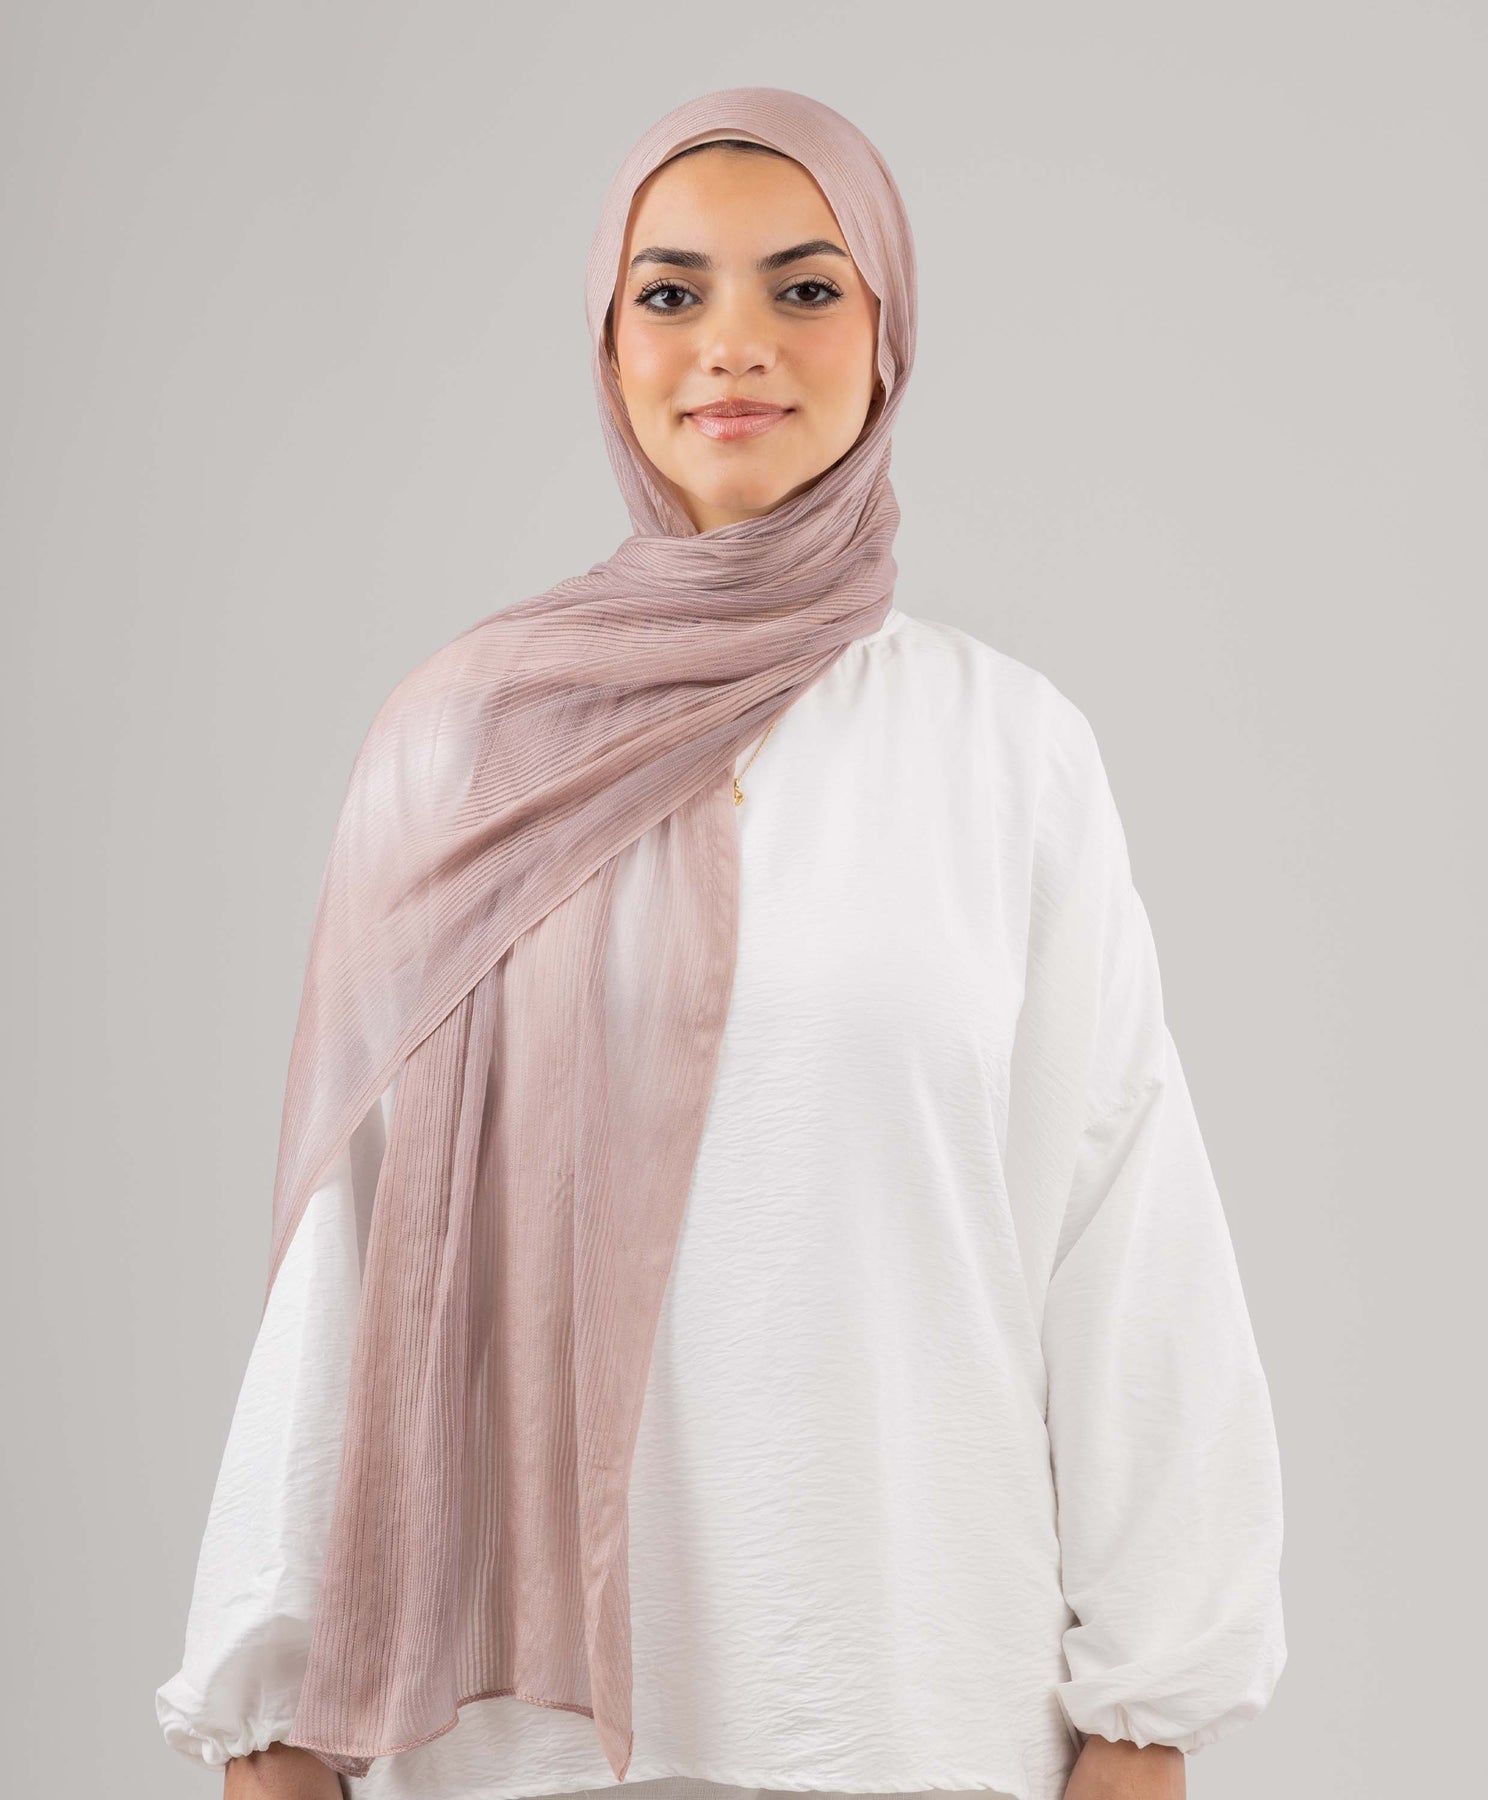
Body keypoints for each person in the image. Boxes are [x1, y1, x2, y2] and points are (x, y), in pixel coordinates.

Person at [155, 87, 1285, 1800]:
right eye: (672, 293)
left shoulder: (1006, 749)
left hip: (909, 1701)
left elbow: (1123, 1222)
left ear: (888, 336)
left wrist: (1150, 1710)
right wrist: (275, 1699)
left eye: (806, 288)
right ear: (610, 346)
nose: (733, 344)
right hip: (524, 1743)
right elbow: (361, 1237)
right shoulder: (465, 744)